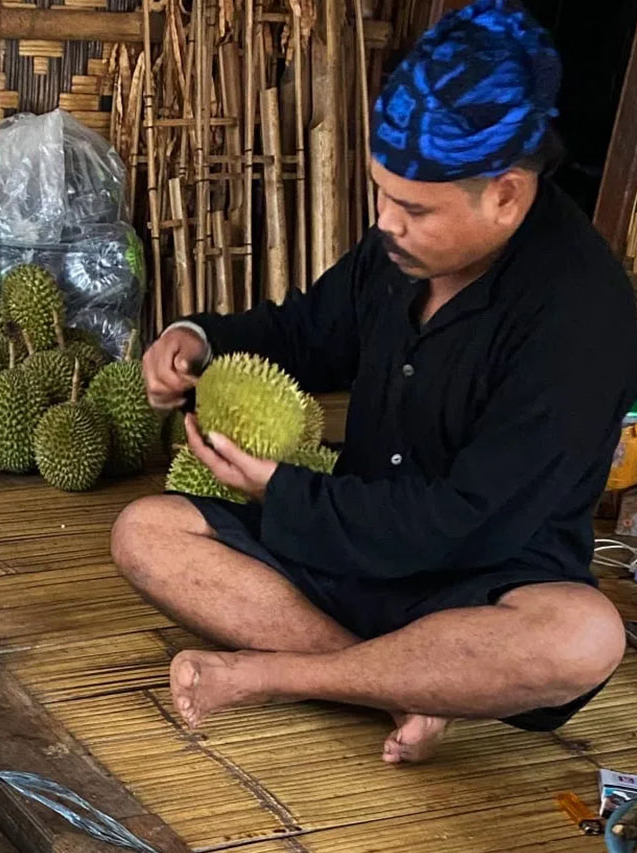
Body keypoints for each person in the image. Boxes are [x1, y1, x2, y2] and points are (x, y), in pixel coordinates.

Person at [110, 0, 637, 764]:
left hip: (477, 589)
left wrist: (282, 493)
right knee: (145, 532)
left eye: (413, 207)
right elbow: (304, 334)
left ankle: (282, 672)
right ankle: (401, 687)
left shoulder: (584, 313)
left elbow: (469, 521)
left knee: (584, 636)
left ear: (507, 196)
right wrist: (200, 340)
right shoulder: (399, 253)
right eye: (380, 193)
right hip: (344, 559)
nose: (385, 220)